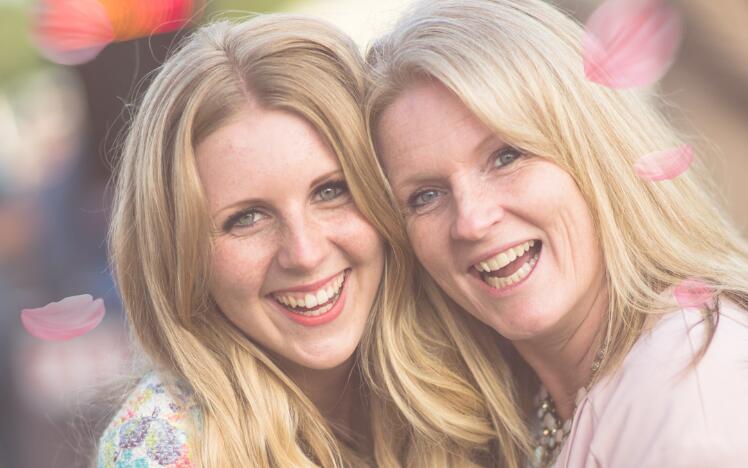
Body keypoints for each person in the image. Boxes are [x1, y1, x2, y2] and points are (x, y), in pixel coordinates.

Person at [97, 14, 503, 467]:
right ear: (178, 254)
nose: (305, 254)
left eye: (330, 191)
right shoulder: (163, 446)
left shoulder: (480, 359)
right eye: (246, 218)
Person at [365, 0, 748, 467]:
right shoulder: (542, 398)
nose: (471, 220)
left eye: (506, 156)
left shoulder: (692, 393)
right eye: (425, 195)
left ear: (592, 151)